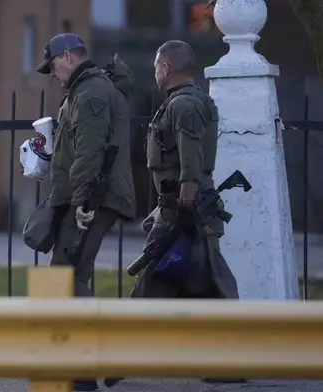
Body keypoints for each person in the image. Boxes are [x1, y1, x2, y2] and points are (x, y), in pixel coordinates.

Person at [129, 40, 244, 385]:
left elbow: (191, 166)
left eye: (155, 68)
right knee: (194, 282)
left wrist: (182, 210)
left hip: (188, 208)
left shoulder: (184, 106)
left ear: (165, 68)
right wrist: (162, 209)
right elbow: (178, 165)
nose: (154, 74)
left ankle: (119, 354)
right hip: (179, 205)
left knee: (177, 279)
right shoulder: (189, 102)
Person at [36, 32, 136, 392]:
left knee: (65, 277)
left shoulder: (91, 92)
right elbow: (78, 148)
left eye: (51, 67)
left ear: (66, 57)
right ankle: (79, 370)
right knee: (72, 274)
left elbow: (91, 154)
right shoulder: (83, 90)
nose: (52, 75)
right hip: (88, 197)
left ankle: (95, 360)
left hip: (93, 199)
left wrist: (82, 205)